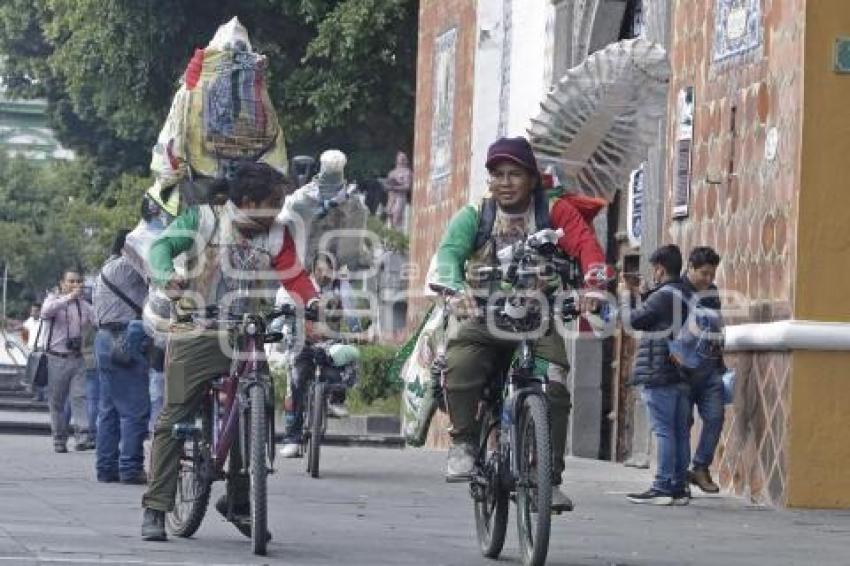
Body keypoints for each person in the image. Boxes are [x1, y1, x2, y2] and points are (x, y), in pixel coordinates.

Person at [429, 136, 611, 512]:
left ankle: (548, 479)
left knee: (555, 381)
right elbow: (447, 255)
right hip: (483, 315)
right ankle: (464, 442)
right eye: (498, 174)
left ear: (532, 178)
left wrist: (593, 283)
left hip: (538, 318)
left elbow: (586, 246)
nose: (506, 182)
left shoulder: (556, 212)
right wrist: (455, 290)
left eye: (515, 174)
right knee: (459, 362)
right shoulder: (474, 216)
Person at [140, 163, 318, 542]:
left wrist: (314, 303)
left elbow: (294, 275)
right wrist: (165, 275)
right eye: (274, 203)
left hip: (247, 334)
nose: (280, 210)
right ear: (249, 202)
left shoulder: (277, 235)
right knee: (175, 416)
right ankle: (156, 506)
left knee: (256, 410)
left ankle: (239, 502)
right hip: (197, 331)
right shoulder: (203, 219)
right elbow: (161, 247)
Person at [620, 245, 691, 505]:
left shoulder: (663, 297)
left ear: (660, 268)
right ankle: (679, 486)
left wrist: (625, 296)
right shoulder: (686, 293)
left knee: (663, 430)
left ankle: (662, 485)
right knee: (679, 431)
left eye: (655, 269)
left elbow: (632, 321)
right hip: (683, 372)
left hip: (660, 370)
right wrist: (646, 294)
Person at [279, 253, 353, 458]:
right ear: (312, 271)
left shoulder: (339, 287)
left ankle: (335, 400)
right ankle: (292, 438)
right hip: (304, 343)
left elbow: (352, 313)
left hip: (330, 343)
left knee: (342, 363)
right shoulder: (302, 286)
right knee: (297, 382)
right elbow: (284, 301)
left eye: (328, 270)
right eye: (320, 270)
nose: (324, 275)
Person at [94, 230, 151, 485]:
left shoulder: (106, 269)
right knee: (134, 410)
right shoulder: (127, 266)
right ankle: (130, 468)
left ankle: (106, 468)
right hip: (124, 338)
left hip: (104, 338)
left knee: (109, 410)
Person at [682, 246, 725, 494]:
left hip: (711, 368)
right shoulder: (676, 291)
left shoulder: (713, 292)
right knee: (682, 423)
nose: (708, 279)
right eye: (704, 273)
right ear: (690, 268)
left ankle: (701, 467)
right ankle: (679, 475)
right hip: (684, 369)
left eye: (712, 274)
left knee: (715, 417)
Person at [41, 270, 96, 453]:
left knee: (79, 397)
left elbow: (98, 321)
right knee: (57, 402)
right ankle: (59, 439)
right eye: (71, 281)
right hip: (56, 358)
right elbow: (46, 312)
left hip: (77, 358)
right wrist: (69, 298)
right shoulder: (53, 299)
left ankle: (82, 437)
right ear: (62, 283)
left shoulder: (85, 305)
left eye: (78, 281)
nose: (75, 285)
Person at [384, 151, 411, 231]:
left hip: (400, 197)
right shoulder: (392, 172)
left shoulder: (407, 172)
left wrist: (395, 187)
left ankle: (397, 234)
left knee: (397, 216)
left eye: (403, 158)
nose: (401, 160)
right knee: (390, 215)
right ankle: (391, 235)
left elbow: (407, 186)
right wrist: (388, 186)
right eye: (399, 158)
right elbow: (387, 186)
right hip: (391, 197)